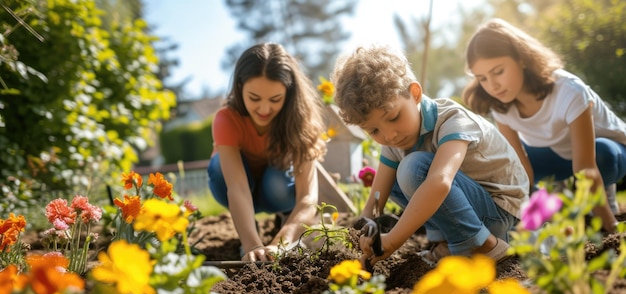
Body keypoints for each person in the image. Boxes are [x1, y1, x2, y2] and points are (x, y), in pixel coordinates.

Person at [330, 45, 529, 267]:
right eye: (374, 131)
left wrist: (393, 241)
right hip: (475, 211)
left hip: (504, 217)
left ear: (415, 94)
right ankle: (448, 242)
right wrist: (364, 227)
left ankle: (485, 246)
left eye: (394, 117)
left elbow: (439, 182)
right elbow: (377, 197)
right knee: (396, 176)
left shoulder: (453, 120)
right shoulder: (395, 140)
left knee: (413, 169)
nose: (389, 135)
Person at [463, 18, 626, 233]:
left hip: (609, 153)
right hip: (558, 155)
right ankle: (559, 203)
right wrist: (524, 221)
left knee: (602, 155)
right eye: (482, 78)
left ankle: (603, 198)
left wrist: (610, 226)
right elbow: (522, 172)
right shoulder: (501, 106)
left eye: (498, 72)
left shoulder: (568, 90)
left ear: (521, 58)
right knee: (508, 166)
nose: (492, 86)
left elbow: (585, 166)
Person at [207, 43, 327, 261]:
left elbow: (308, 197)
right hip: (240, 190)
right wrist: (252, 245)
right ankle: (247, 226)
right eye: (254, 98)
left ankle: (287, 222)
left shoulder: (300, 122)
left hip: (277, 190)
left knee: (278, 181)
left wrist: (280, 244)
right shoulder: (227, 119)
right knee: (219, 168)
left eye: (275, 100)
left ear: (289, 94)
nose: (264, 110)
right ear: (240, 86)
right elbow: (237, 187)